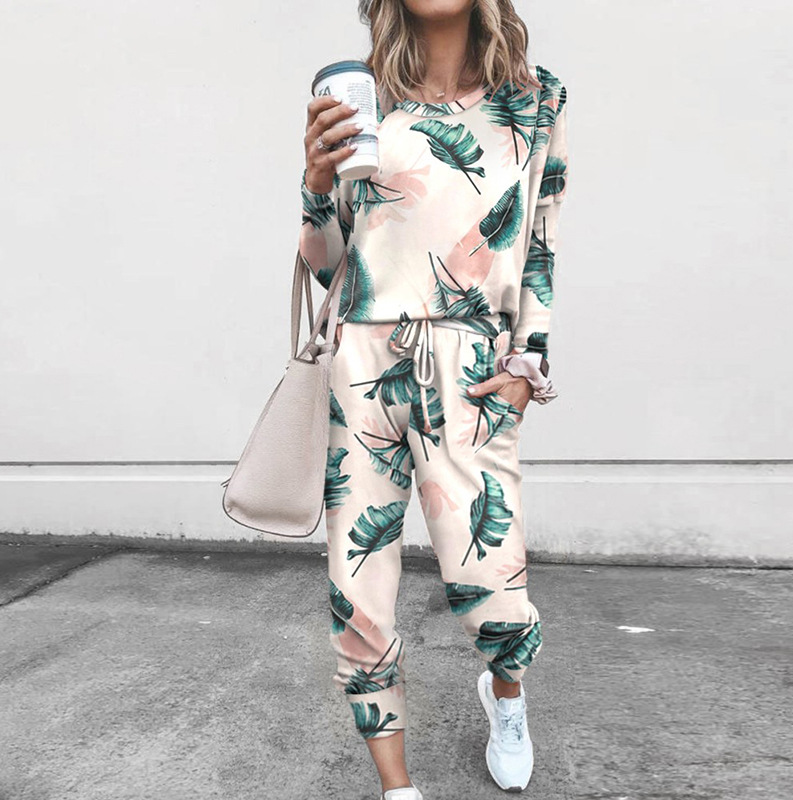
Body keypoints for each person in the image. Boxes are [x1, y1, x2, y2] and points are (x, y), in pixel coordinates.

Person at [298, 1, 569, 797]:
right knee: (358, 598)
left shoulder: (536, 100)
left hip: (469, 366)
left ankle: (506, 694)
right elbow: (328, 265)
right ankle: (398, 789)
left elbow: (541, 240)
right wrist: (316, 184)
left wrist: (527, 363)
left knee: (492, 590)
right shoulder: (357, 93)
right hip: (362, 361)